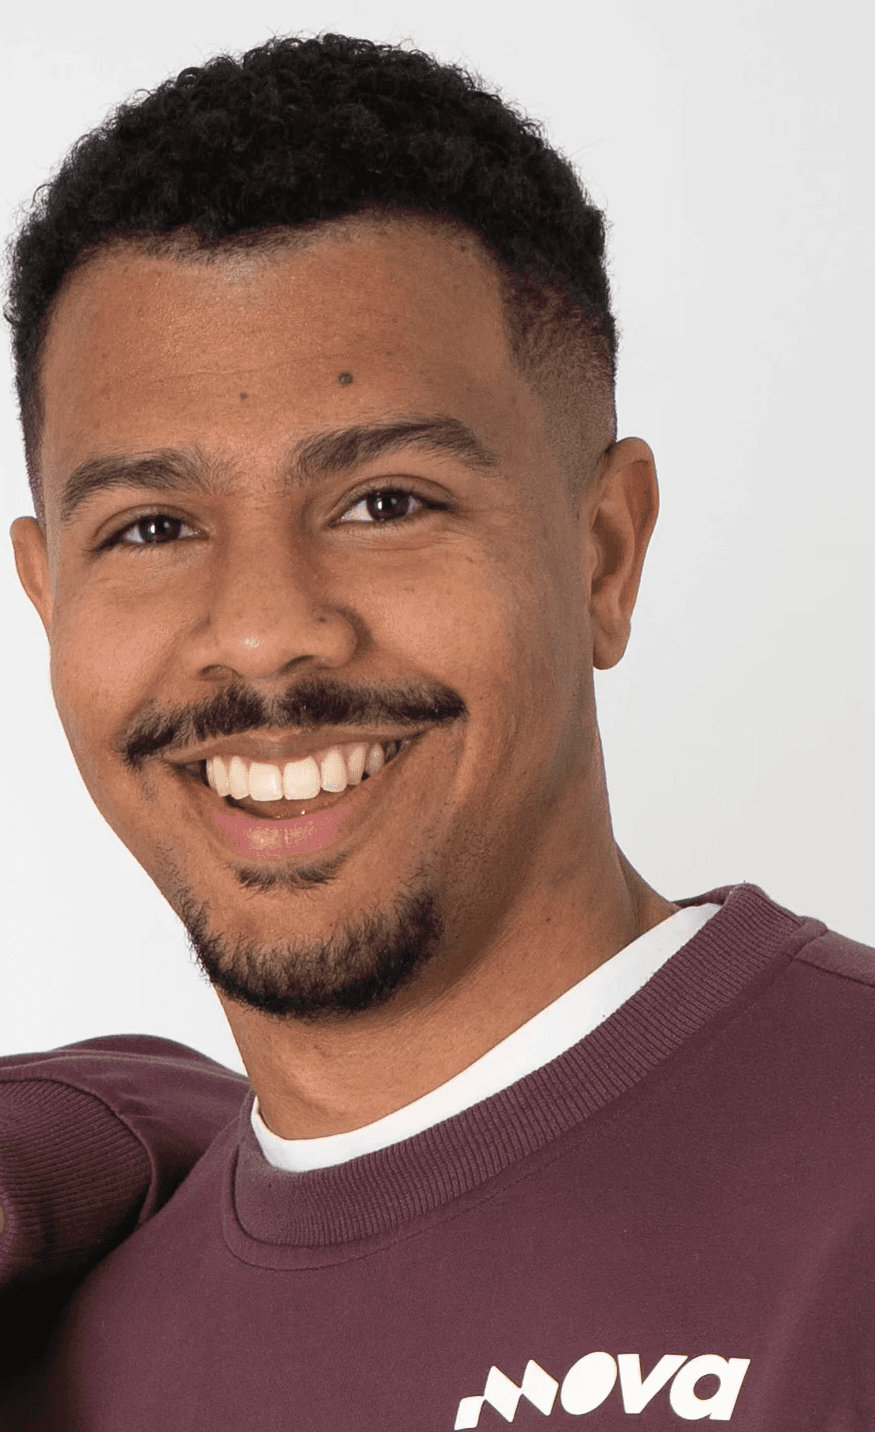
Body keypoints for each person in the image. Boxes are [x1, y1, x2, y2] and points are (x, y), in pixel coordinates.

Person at [1, 31, 873, 1431]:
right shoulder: (63, 1357)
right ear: (49, 600)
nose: (263, 630)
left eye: (384, 502)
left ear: (602, 553)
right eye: (152, 529)